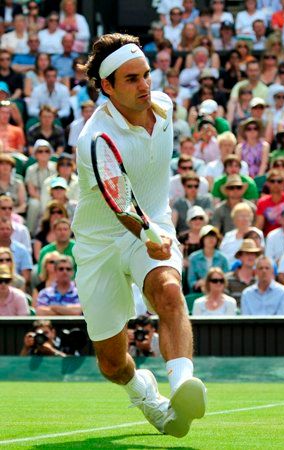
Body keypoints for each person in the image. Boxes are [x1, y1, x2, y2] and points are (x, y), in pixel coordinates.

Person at [72, 35, 206, 437]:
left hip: (152, 226)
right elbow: (121, 204)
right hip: (102, 243)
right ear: (107, 87)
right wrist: (150, 233)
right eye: (131, 79)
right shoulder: (95, 139)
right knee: (112, 364)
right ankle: (146, 395)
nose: (144, 85)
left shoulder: (163, 106)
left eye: (146, 74)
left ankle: (182, 385)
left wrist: (155, 233)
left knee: (168, 290)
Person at [255, 169, 284, 235]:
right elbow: (259, 225)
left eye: (279, 181)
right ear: (267, 184)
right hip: (269, 238)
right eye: (272, 181)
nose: (276, 184)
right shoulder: (262, 202)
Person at [225, 239, 261, 306]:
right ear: (240, 257)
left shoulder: (260, 279)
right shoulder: (227, 279)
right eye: (247, 253)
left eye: (253, 254)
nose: (251, 257)